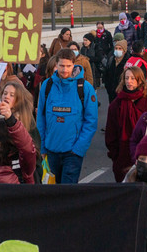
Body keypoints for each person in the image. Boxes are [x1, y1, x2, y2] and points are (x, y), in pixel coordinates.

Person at [35, 49, 99, 185]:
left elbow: (91, 122)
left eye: (68, 66)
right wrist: (42, 147)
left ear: (74, 65)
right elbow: (41, 118)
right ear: (56, 65)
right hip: (51, 150)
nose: (64, 70)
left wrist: (78, 149)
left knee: (67, 193)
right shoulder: (47, 85)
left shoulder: (85, 88)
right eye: (61, 66)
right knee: (52, 192)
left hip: (72, 152)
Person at [105, 66, 147, 181]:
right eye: (127, 78)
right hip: (123, 156)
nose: (129, 81)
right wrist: (115, 155)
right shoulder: (116, 104)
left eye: (133, 78)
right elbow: (111, 132)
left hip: (145, 155)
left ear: (140, 80)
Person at [0, 92, 38, 184]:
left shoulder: (21, 161)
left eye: (12, 95)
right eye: (5, 93)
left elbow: (27, 148)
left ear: (0, 140)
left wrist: (11, 120)